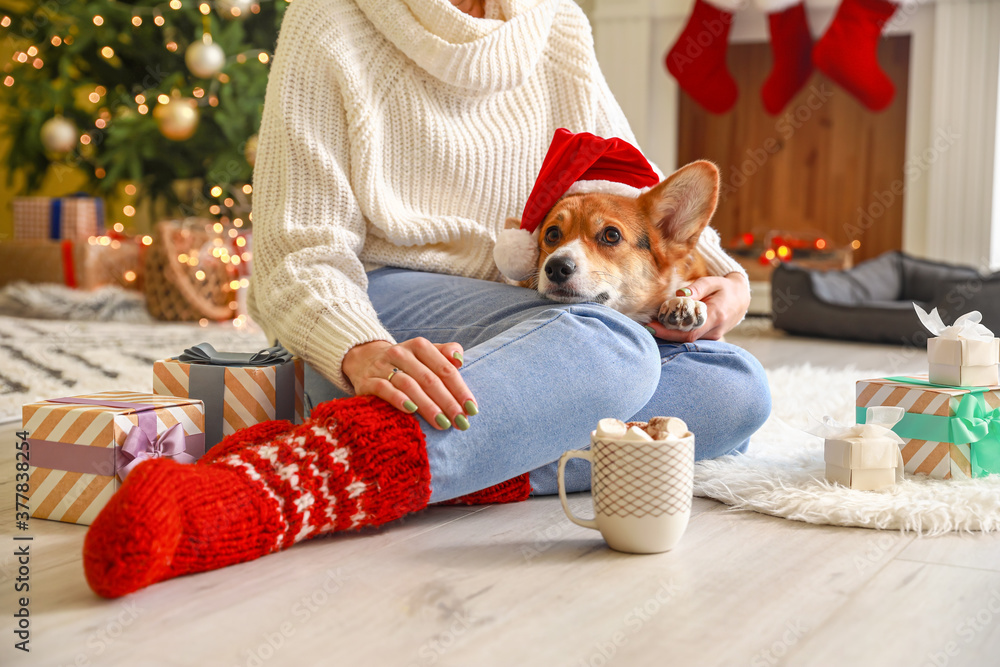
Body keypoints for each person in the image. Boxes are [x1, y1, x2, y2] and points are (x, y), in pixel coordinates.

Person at [82, 0, 771, 598]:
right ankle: (273, 486)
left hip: (522, 312)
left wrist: (723, 280)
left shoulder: (557, 27)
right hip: (386, 304)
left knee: (736, 387)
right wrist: (359, 347)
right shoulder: (330, 20)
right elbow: (296, 252)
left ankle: (450, 458)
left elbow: (635, 185)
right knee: (614, 351)